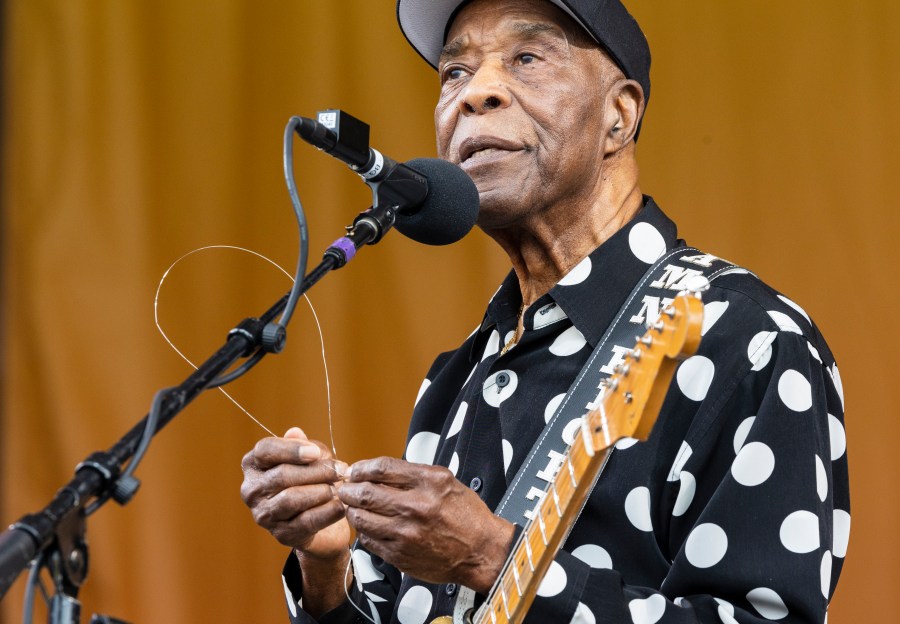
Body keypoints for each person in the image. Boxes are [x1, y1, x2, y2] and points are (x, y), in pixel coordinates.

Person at [240, 1, 850, 622]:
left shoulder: (745, 337)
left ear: (620, 114)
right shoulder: (459, 373)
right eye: (455, 73)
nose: (477, 93)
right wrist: (326, 571)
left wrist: (495, 558)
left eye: (526, 58)